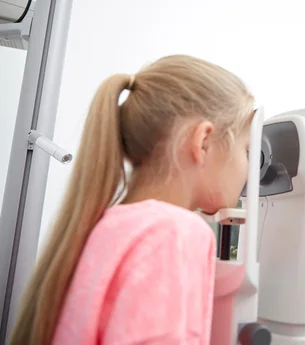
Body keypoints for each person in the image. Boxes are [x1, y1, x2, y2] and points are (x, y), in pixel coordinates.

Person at [8, 55, 255, 345]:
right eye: (247, 151)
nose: (247, 170)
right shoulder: (174, 232)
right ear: (203, 142)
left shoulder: (107, 226)